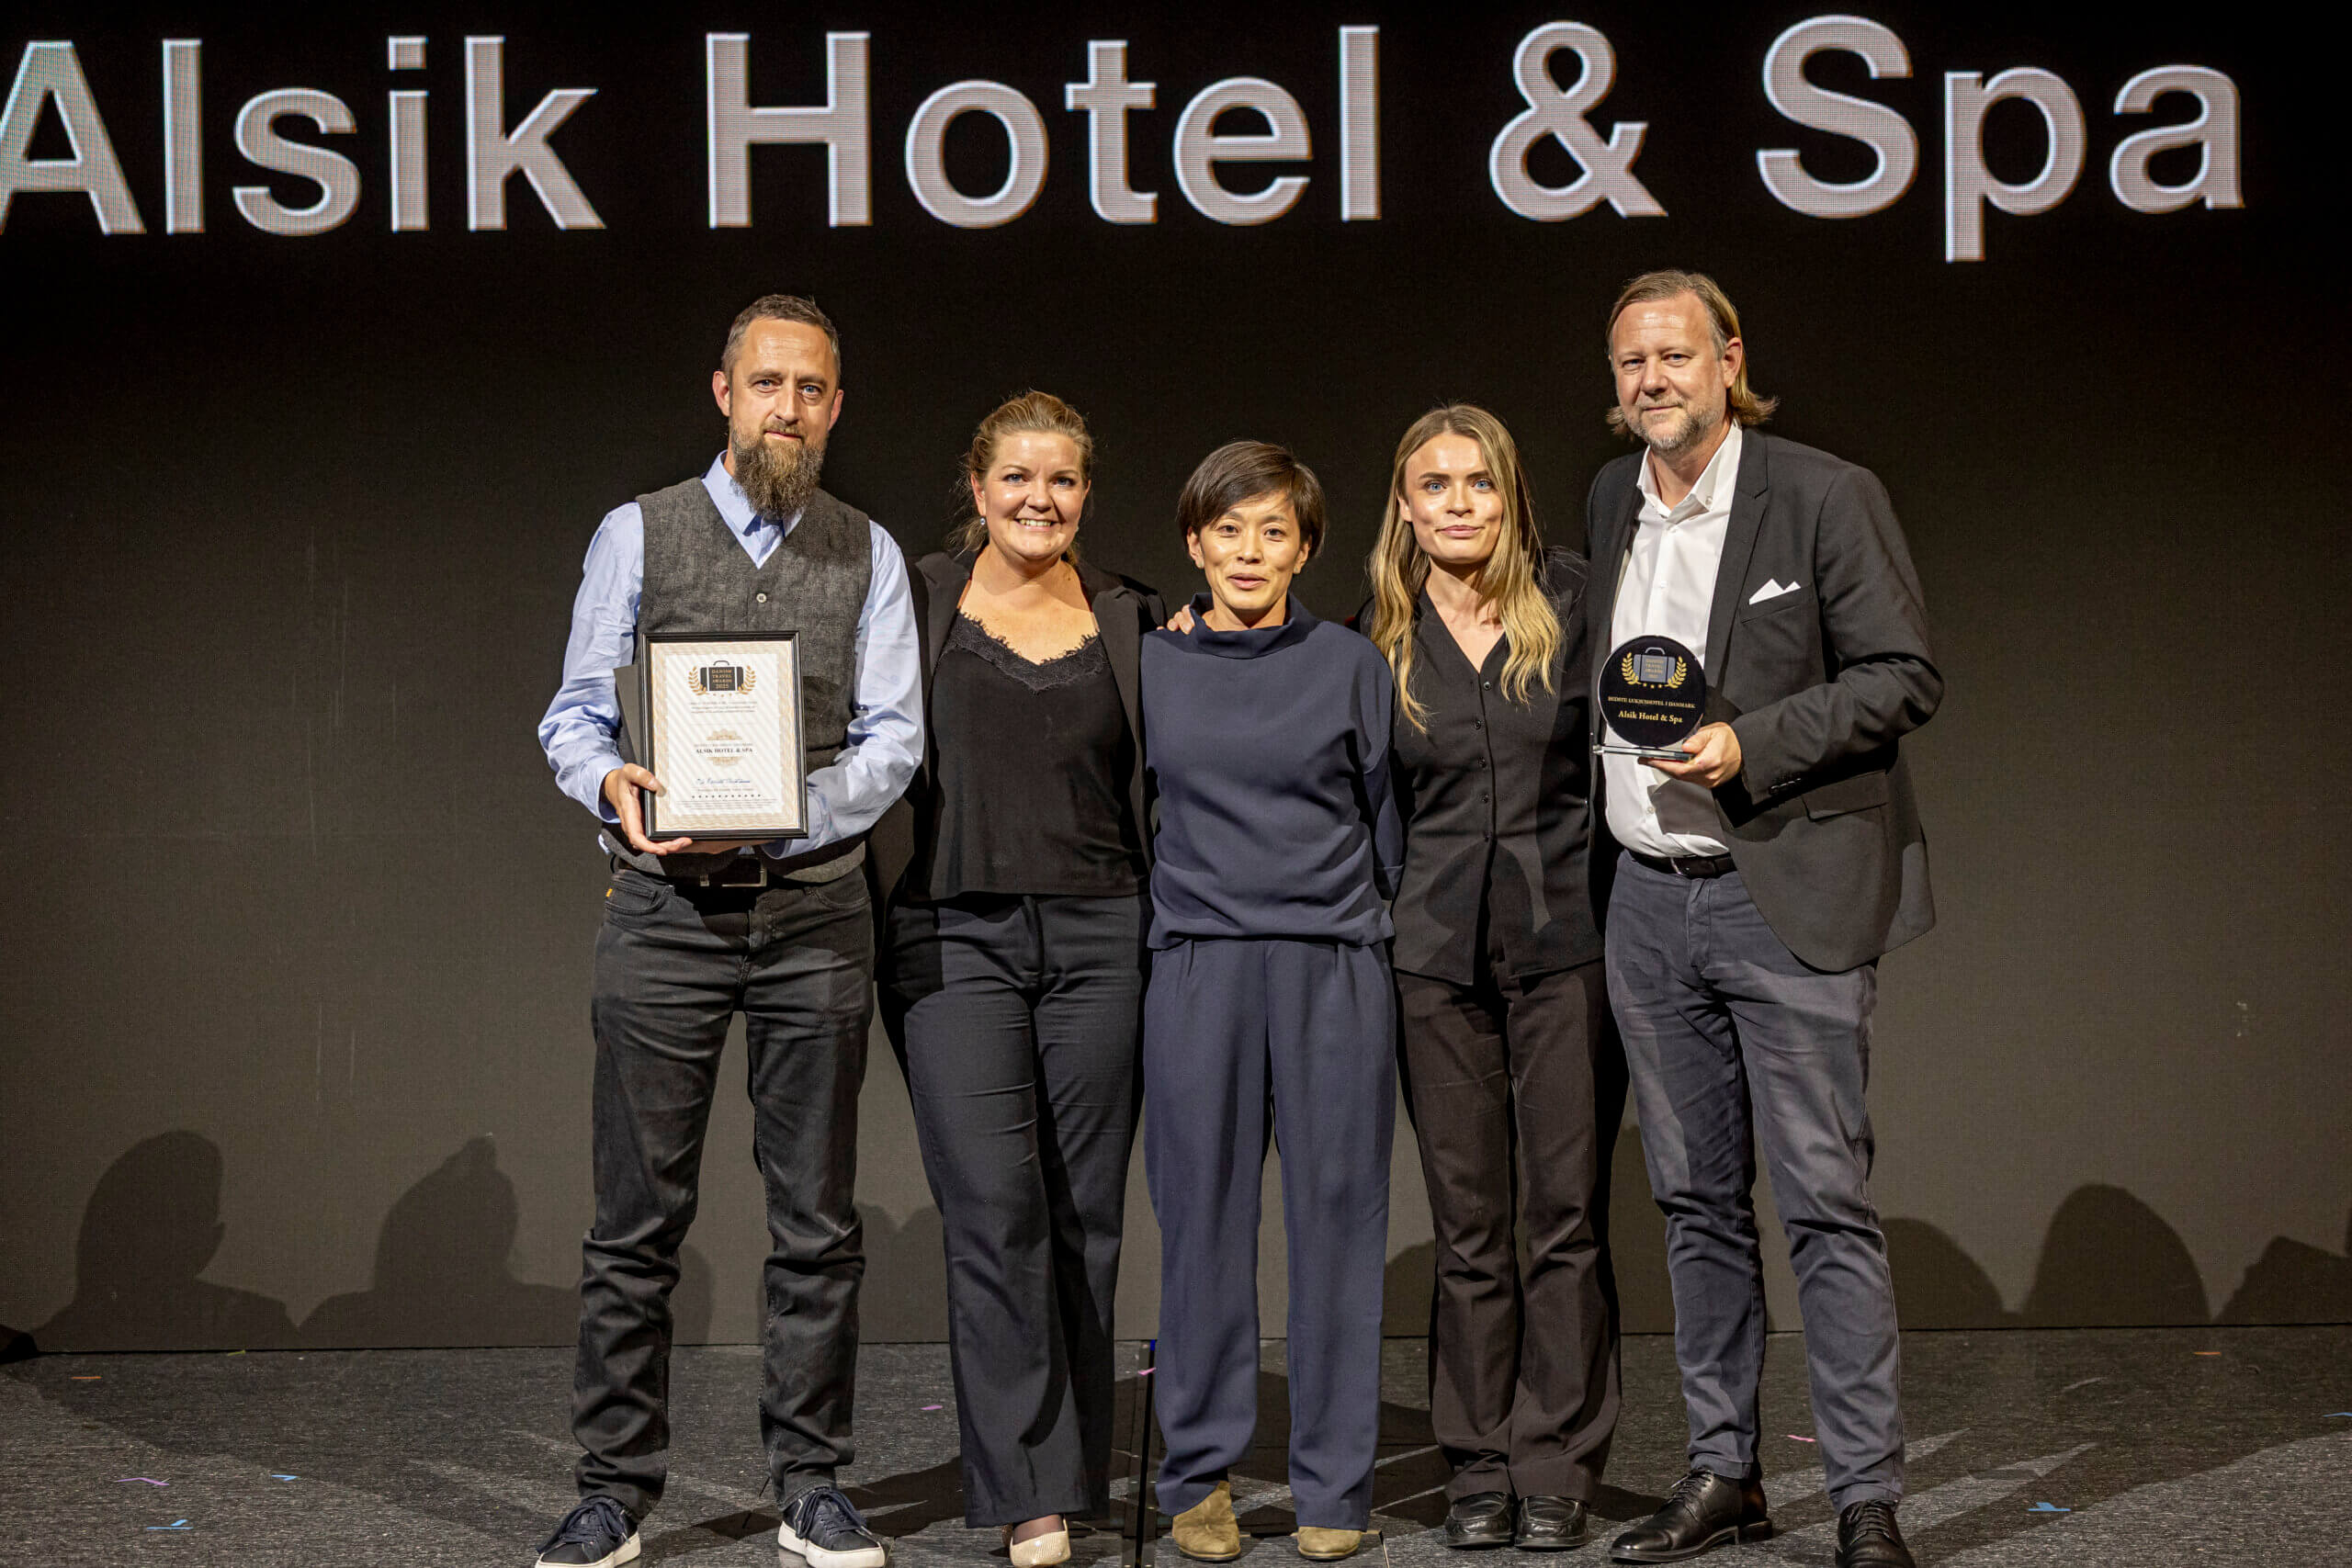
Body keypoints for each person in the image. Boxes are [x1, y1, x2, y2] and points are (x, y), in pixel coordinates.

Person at [534, 294, 922, 1568]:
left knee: (817, 1222)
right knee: (634, 1222)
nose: (787, 410)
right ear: (724, 393)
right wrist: (614, 783)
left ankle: (809, 1482)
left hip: (815, 918)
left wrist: (775, 817)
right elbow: (574, 715)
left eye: (810, 389)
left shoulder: (868, 551)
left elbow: (893, 743)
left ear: (836, 407)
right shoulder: (637, 532)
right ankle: (612, 1489)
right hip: (663, 916)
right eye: (767, 384)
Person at [1585, 271, 1939, 1568]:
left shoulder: (1824, 494)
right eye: (1631, 362)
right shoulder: (1608, 498)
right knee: (1693, 1203)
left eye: (1675, 356)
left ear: (1730, 359)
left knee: (1825, 1203)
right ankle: (1724, 1471)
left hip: (1780, 892)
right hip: (1646, 901)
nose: (1652, 380)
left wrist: (1753, 744)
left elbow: (1903, 675)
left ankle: (1864, 1498)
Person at [874, 392, 1162, 1568]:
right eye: (1017, 478)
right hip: (955, 941)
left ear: (1085, 492)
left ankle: (1074, 1471)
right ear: (977, 486)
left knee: (1084, 1213)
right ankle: (1025, 1492)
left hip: (1105, 940)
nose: (1039, 500)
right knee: (995, 1212)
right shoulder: (914, 599)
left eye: (1062, 481)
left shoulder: (1134, 614)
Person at [1140, 442, 1403, 1566]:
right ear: (1194, 542)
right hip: (1199, 963)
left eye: (1274, 532)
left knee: (1338, 1224)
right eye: (1228, 530)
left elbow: (1386, 819)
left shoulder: (1350, 663)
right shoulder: (1151, 663)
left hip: (1331, 965)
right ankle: (1197, 1476)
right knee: (1199, 1225)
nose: (1250, 552)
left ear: (1305, 549)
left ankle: (1333, 1482)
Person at [1365, 406, 1621, 1551]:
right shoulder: (1376, 635)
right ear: (1405, 504)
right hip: (1432, 962)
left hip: (1566, 948)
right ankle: (1475, 1464)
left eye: (1479, 482)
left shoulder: (1576, 601)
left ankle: (1554, 1461)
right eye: (1436, 484)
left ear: (1510, 495)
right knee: (1469, 1224)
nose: (1458, 502)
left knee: (1563, 1216)